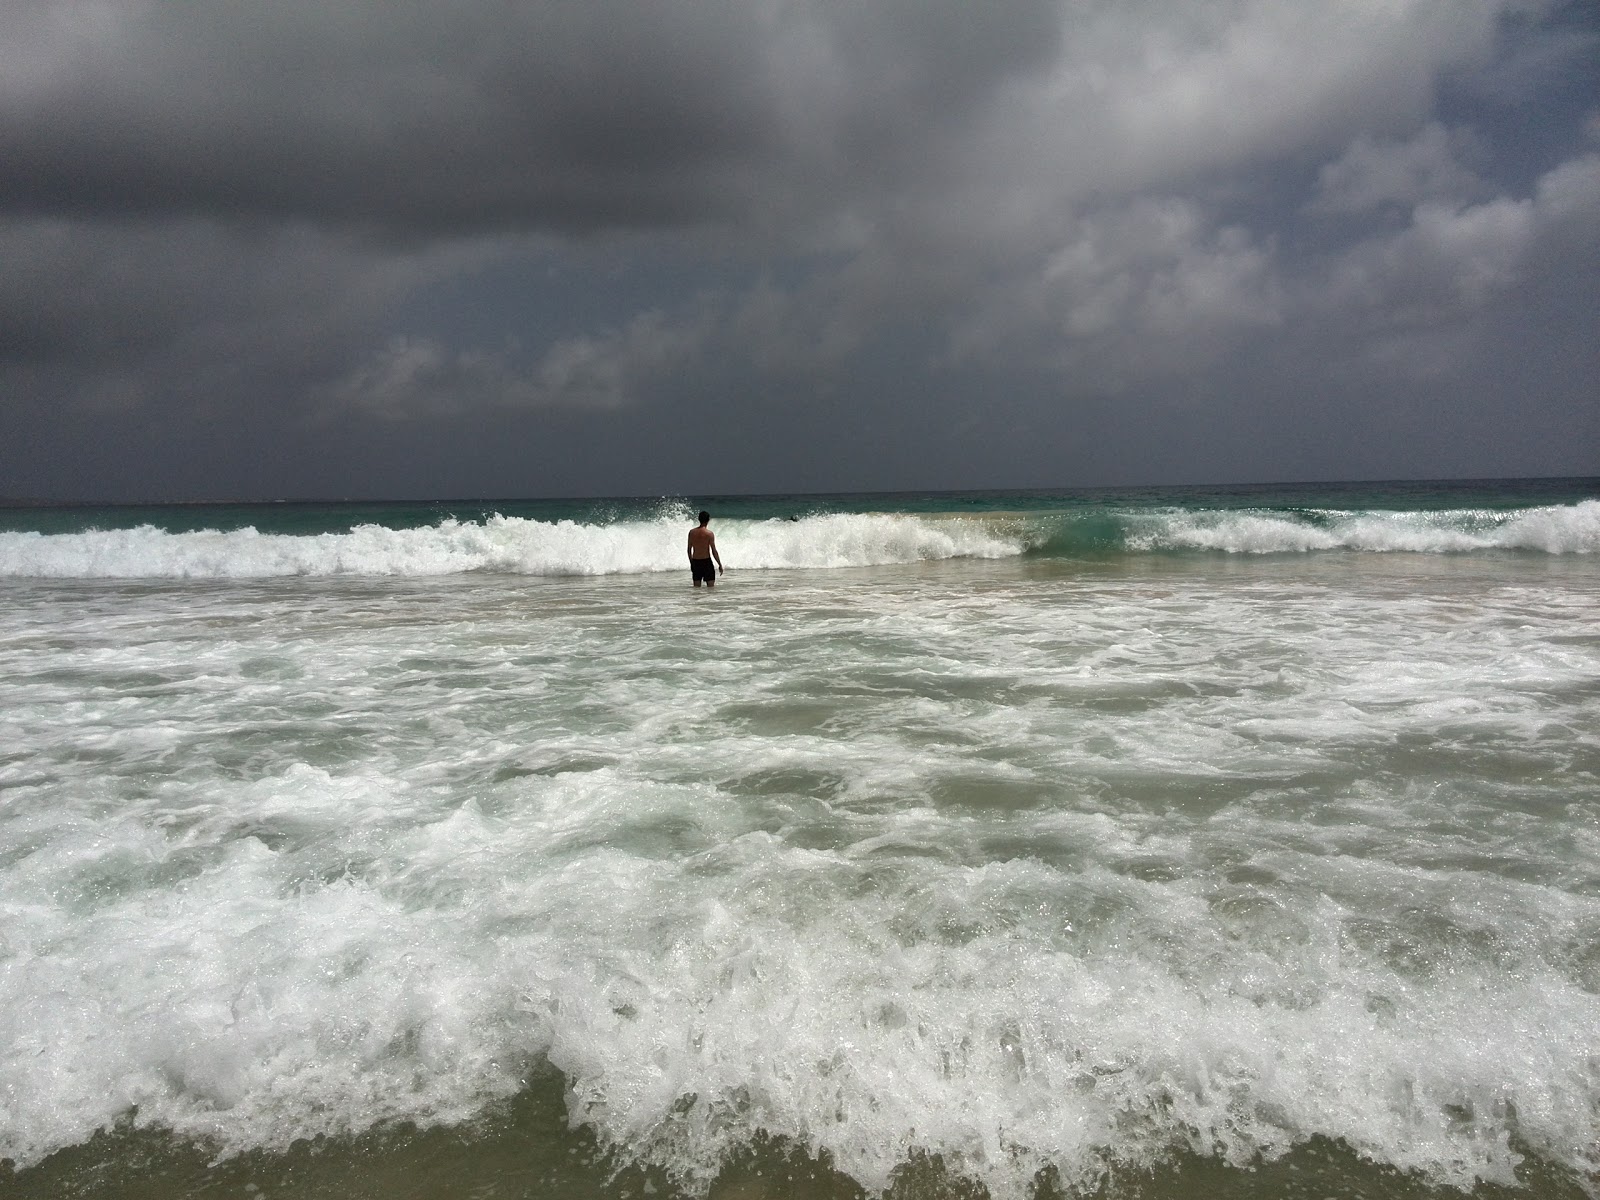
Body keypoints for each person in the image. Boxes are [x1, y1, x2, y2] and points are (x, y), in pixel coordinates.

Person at [687, 510, 723, 587]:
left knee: (696, 589)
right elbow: (714, 551)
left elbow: (689, 549)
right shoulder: (709, 534)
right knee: (711, 589)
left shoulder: (692, 532)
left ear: (699, 519)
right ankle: (708, 600)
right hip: (706, 562)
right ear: (708, 520)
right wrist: (719, 564)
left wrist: (691, 562)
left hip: (696, 562)